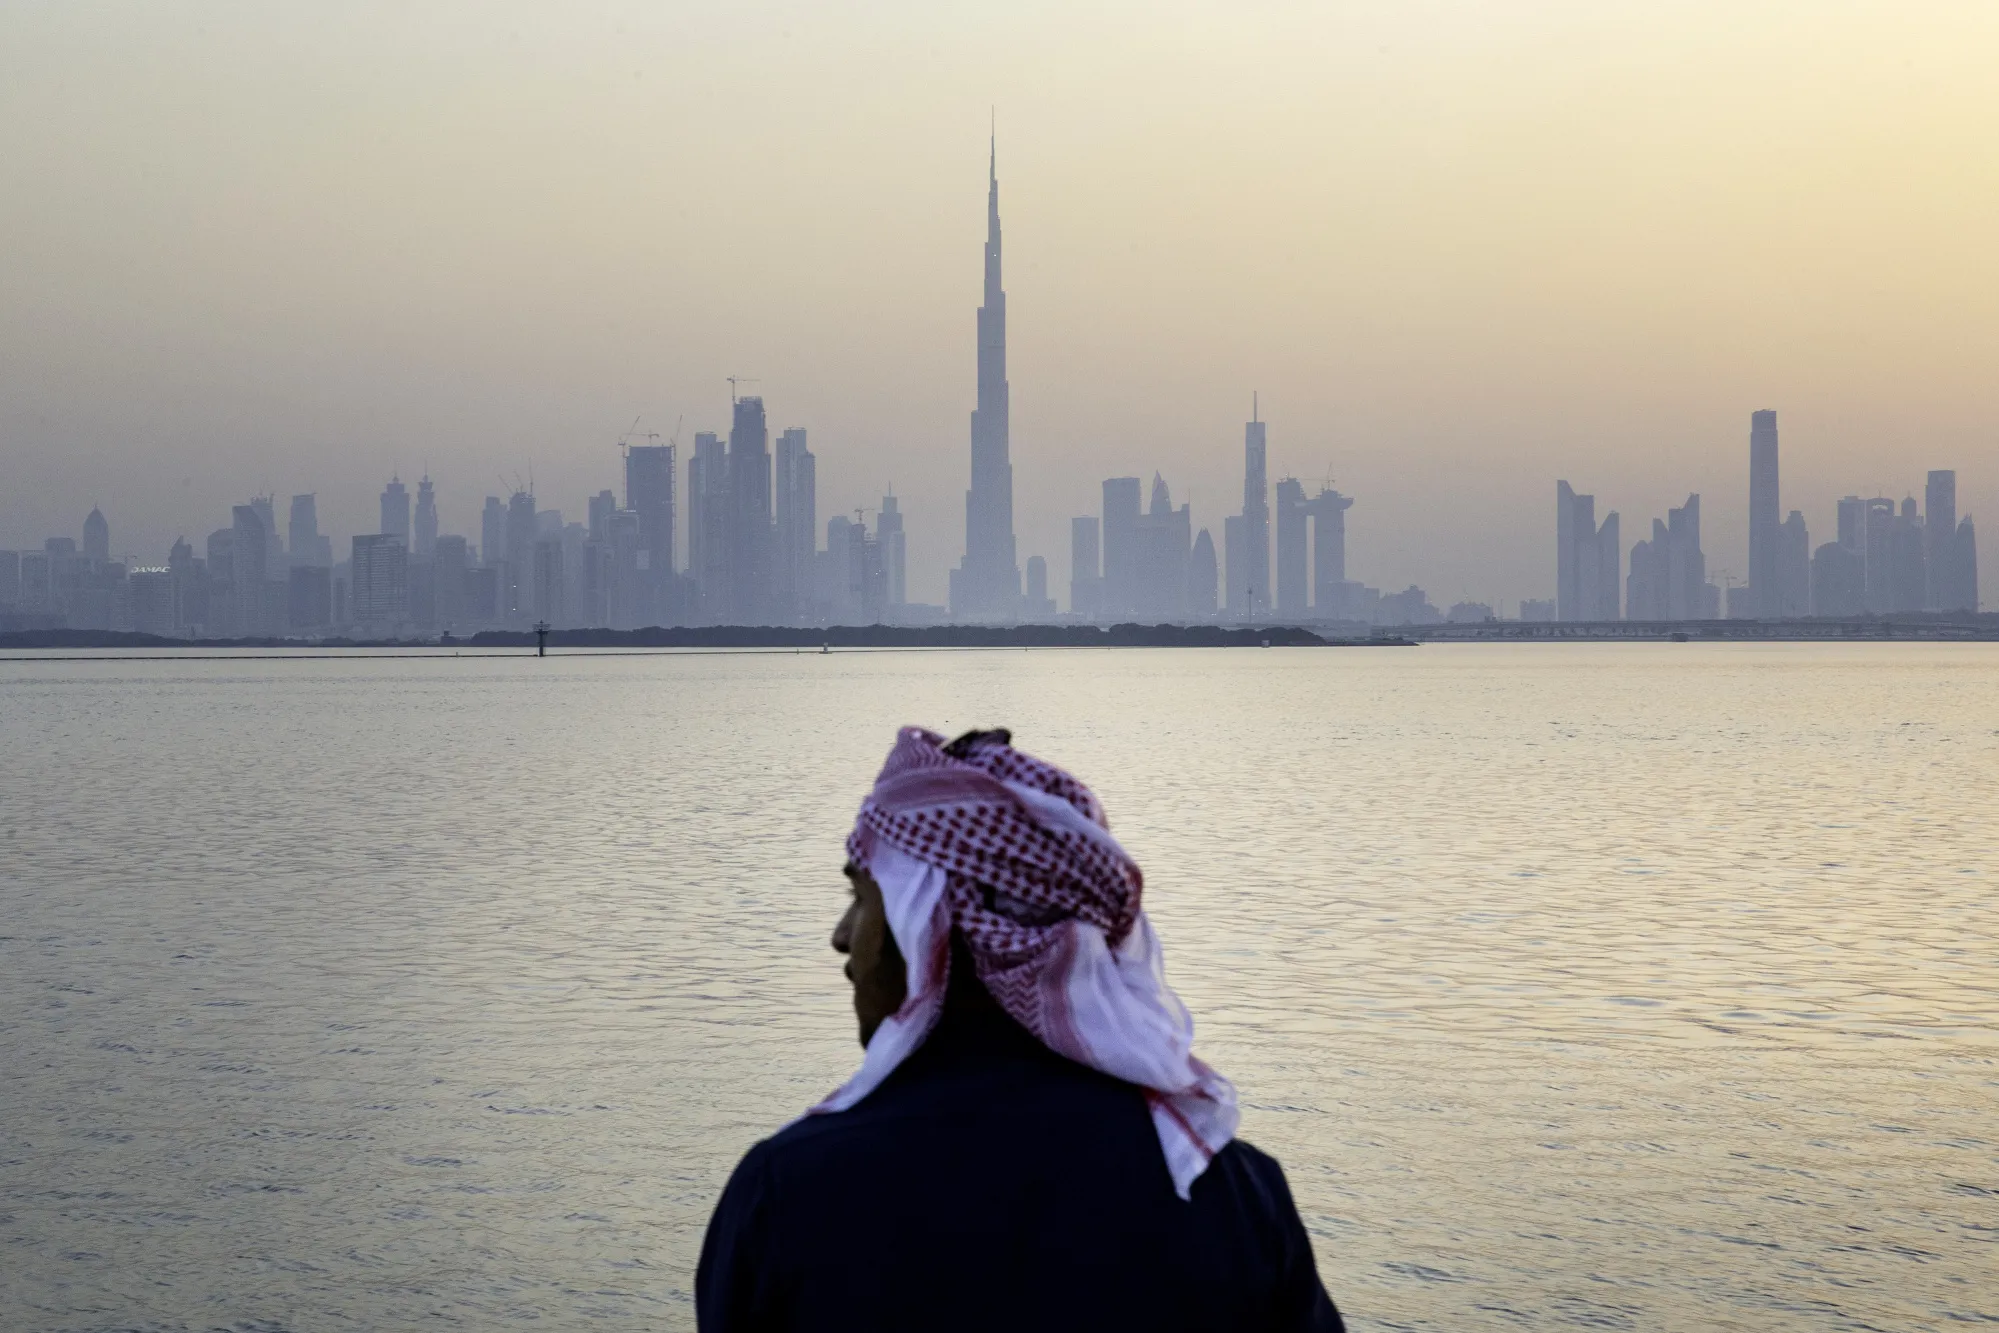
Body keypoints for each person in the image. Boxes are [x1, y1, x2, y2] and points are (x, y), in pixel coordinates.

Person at [697, 726, 1343, 1332]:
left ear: (932, 929)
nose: (842, 937)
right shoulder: (1230, 1189)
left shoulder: (789, 1192)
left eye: (862, 900)